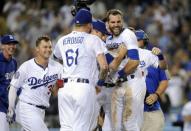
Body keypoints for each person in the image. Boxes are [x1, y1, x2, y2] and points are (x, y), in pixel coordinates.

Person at [53, 9, 108, 131]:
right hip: (83, 88)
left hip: (65, 88)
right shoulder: (93, 39)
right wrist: (99, 84)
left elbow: (55, 58)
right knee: (82, 127)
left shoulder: (62, 40)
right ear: (89, 25)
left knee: (66, 127)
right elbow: (104, 66)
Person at [7, 35, 63, 131]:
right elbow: (13, 86)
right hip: (26, 107)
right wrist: (11, 107)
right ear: (37, 49)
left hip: (41, 111)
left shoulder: (57, 67)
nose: (48, 49)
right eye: (45, 47)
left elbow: (65, 83)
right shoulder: (26, 66)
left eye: (50, 47)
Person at [104, 9, 147, 131]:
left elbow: (134, 61)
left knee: (130, 123)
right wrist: (119, 57)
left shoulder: (128, 34)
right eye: (113, 22)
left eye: (118, 21)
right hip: (118, 85)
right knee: (116, 125)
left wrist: (119, 75)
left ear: (122, 21)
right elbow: (111, 65)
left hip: (132, 82)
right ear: (108, 23)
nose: (116, 24)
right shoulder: (108, 40)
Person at [135, 29, 169, 131]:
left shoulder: (154, 57)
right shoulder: (125, 57)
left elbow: (165, 80)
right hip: (132, 108)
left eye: (137, 40)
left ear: (143, 41)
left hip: (151, 107)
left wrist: (156, 95)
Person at [0, 34, 19, 131]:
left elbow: (16, 84)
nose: (12, 46)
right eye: (8, 44)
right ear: (2, 46)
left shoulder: (14, 62)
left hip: (9, 104)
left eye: (13, 44)